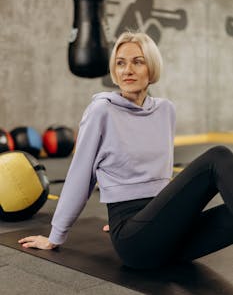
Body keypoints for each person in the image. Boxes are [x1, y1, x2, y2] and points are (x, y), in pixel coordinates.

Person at [19, 31, 233, 269]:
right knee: (218, 157)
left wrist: (153, 216)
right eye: (120, 63)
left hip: (165, 230)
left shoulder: (166, 110)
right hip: (135, 241)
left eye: (137, 62)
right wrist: (55, 236)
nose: (127, 70)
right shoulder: (101, 112)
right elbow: (80, 176)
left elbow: (160, 173)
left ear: (152, 68)